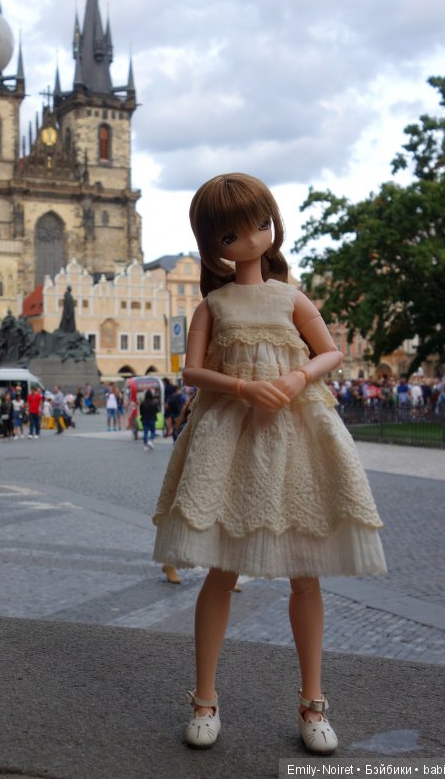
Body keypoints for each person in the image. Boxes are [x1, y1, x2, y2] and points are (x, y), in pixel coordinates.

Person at [152, 173, 386, 755]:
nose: (253, 239)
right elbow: (190, 372)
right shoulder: (214, 303)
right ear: (214, 244)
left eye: (261, 224)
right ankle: (204, 697)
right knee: (220, 568)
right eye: (235, 231)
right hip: (232, 433)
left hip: (295, 430)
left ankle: (313, 700)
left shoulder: (290, 295)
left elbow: (329, 349)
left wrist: (297, 374)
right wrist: (241, 386)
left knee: (305, 573)